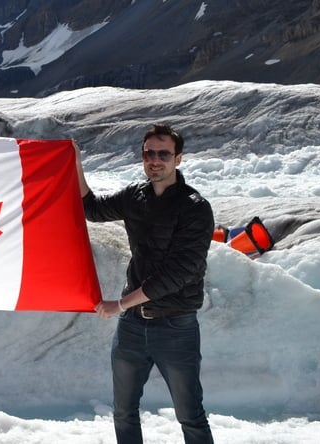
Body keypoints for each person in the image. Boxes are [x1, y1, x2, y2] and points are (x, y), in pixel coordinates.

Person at [75, 124, 215, 444]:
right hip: (133, 327)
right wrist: (75, 163)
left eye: (163, 153)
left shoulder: (195, 208)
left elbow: (178, 274)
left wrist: (121, 304)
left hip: (176, 327)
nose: (155, 159)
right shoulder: (134, 196)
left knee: (190, 416)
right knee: (123, 412)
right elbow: (92, 209)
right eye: (148, 153)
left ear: (178, 159)